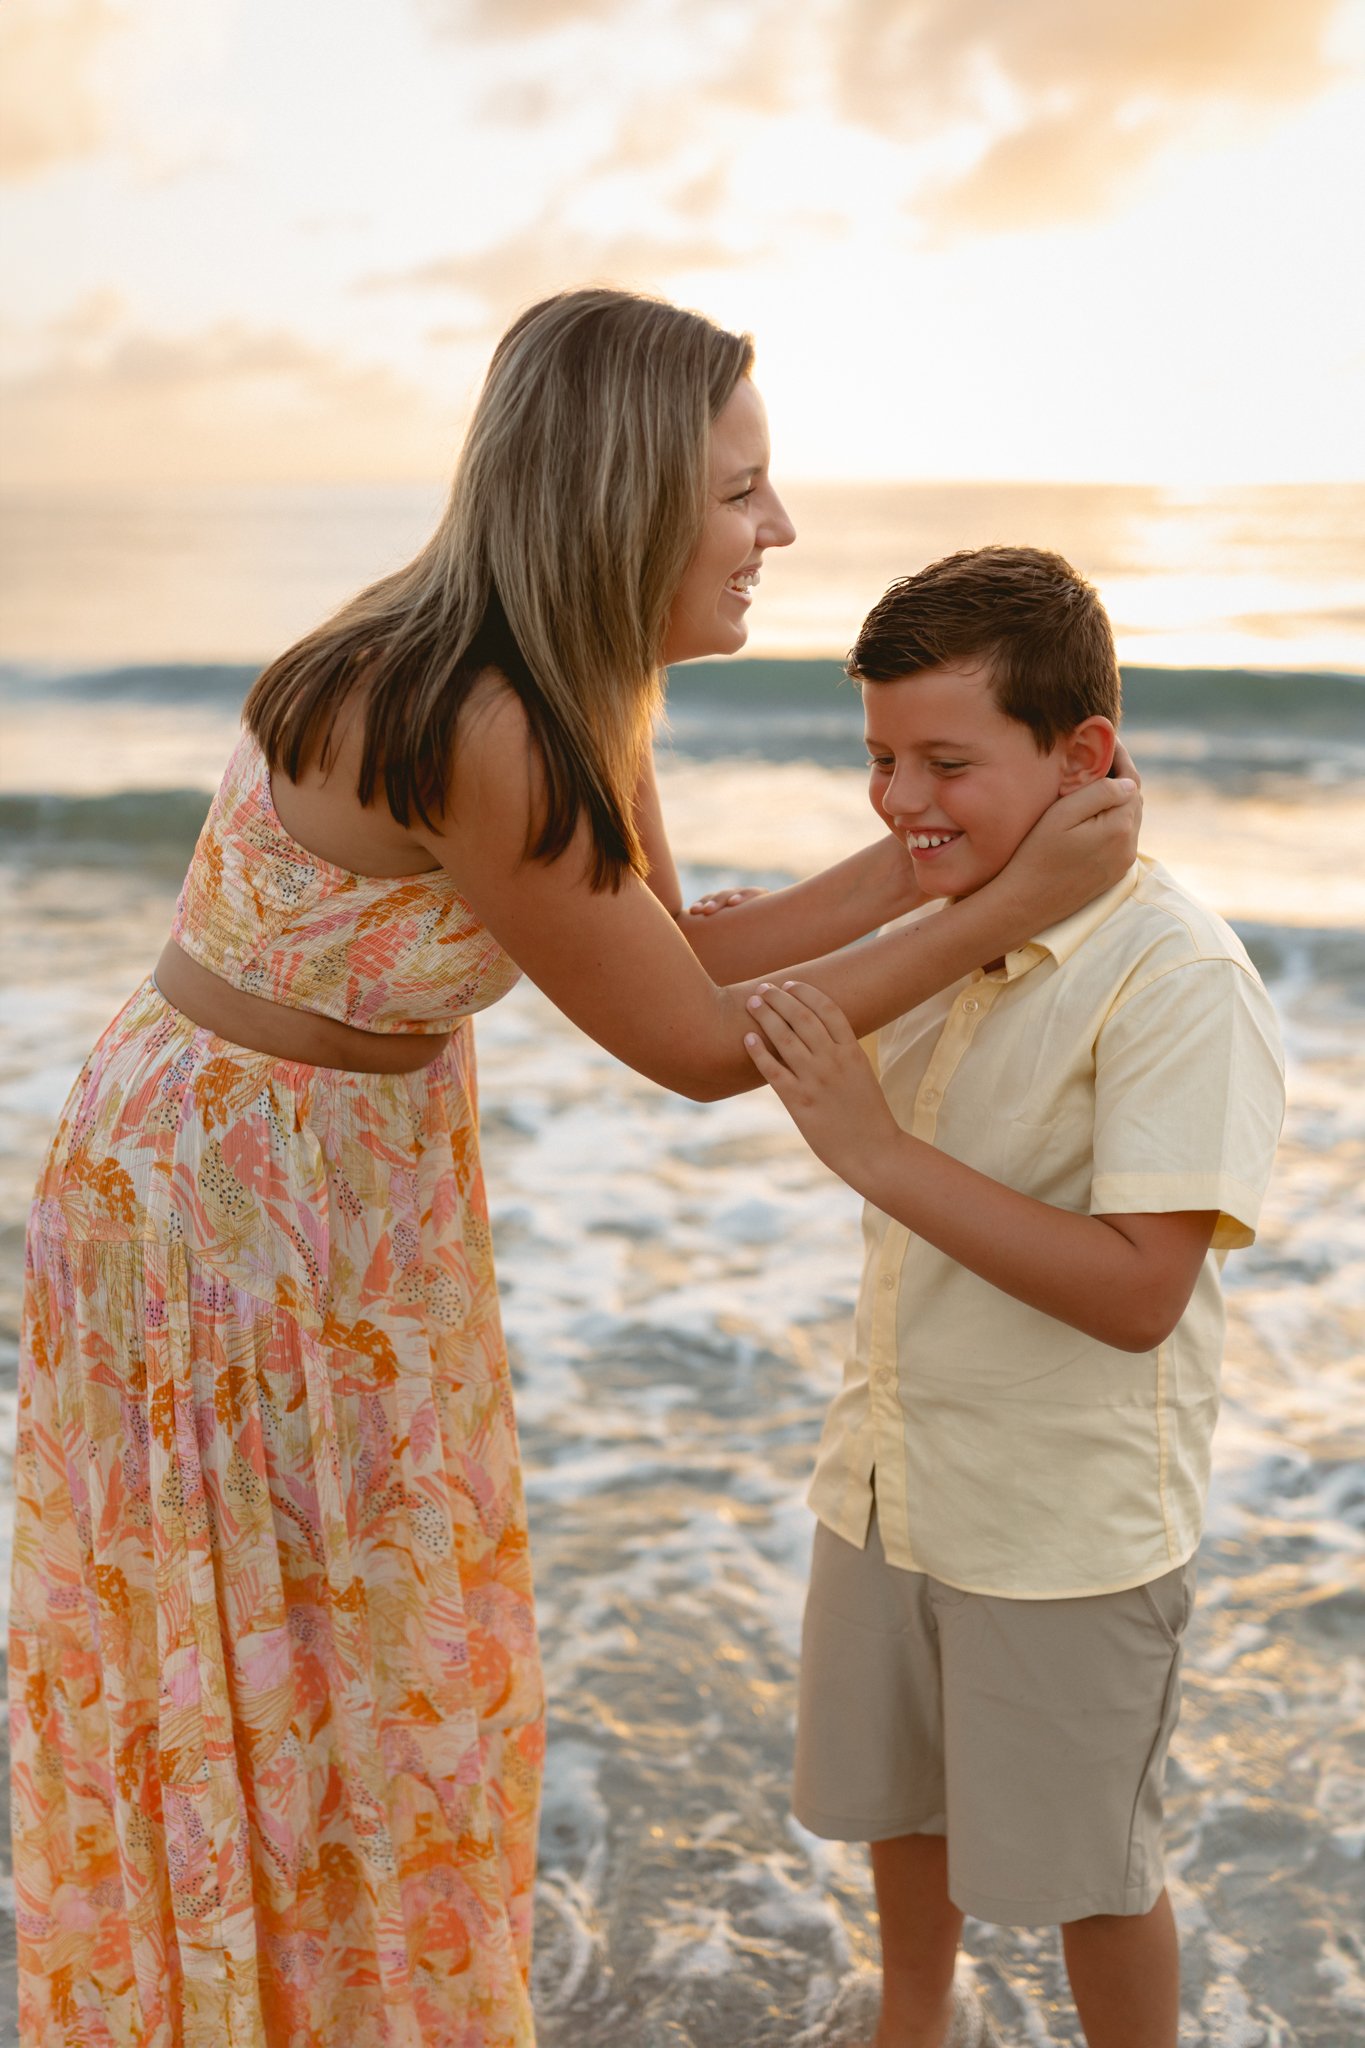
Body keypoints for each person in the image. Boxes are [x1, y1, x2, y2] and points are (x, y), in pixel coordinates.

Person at [9, 298, 1142, 2048]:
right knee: (292, 1665)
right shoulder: (485, 717)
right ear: (625, 500)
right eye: (744, 493)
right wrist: (1007, 905)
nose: (781, 533)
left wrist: (932, 843)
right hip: (227, 1208)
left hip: (329, 1174)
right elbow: (697, 1050)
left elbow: (703, 953)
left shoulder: (567, 682)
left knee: (371, 1661)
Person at [742, 546, 1286, 2048]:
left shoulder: (1175, 975)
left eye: (944, 762)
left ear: (1080, 756)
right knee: (899, 1814)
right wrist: (914, 848)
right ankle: (908, 2026)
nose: (899, 795)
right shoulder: (941, 907)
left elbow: (1135, 1296)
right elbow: (693, 977)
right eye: (876, 759)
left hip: (1061, 1530)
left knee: (1090, 1874)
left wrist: (869, 1146)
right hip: (888, 1479)